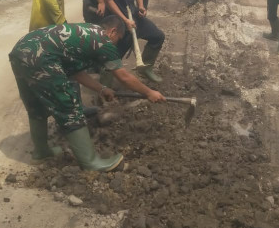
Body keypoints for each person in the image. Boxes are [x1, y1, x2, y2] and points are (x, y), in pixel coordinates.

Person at [9, 16, 166, 170]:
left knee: (36, 105)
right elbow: (124, 77)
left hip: (21, 51)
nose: (116, 44)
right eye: (118, 38)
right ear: (113, 31)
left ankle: (41, 152)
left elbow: (76, 73)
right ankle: (91, 163)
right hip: (40, 58)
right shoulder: (103, 41)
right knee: (68, 106)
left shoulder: (86, 34)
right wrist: (149, 92)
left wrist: (102, 89)